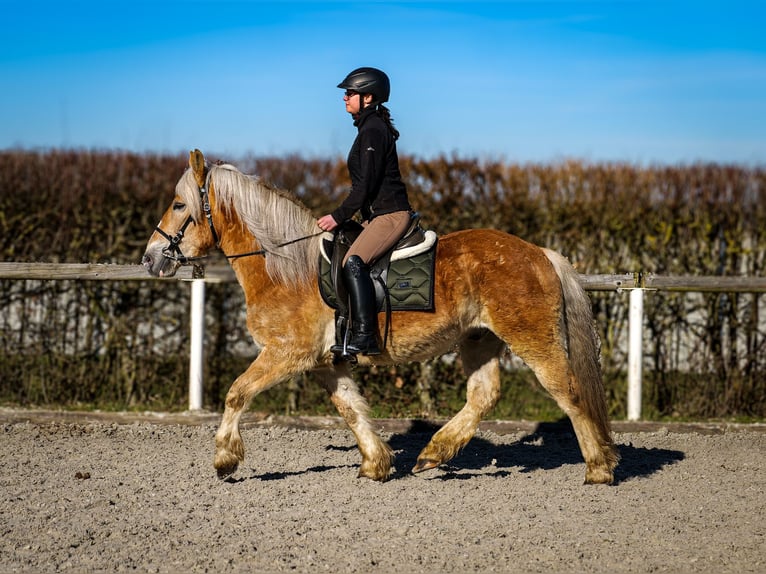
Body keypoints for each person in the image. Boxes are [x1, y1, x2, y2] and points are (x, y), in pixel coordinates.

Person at [317, 67, 413, 358]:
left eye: (350, 93)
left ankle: (365, 337)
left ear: (368, 97)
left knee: (354, 262)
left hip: (391, 215)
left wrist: (338, 215)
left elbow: (365, 186)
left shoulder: (373, 130)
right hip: (376, 216)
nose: (345, 98)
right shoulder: (368, 128)